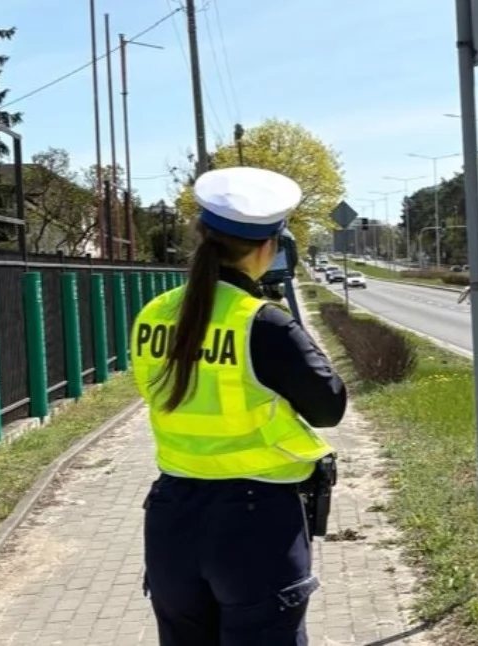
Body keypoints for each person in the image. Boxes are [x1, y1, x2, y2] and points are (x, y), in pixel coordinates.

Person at [130, 166, 347, 645]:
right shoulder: (262, 323)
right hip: (255, 524)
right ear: (271, 247)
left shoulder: (154, 313)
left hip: (171, 516)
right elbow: (329, 407)